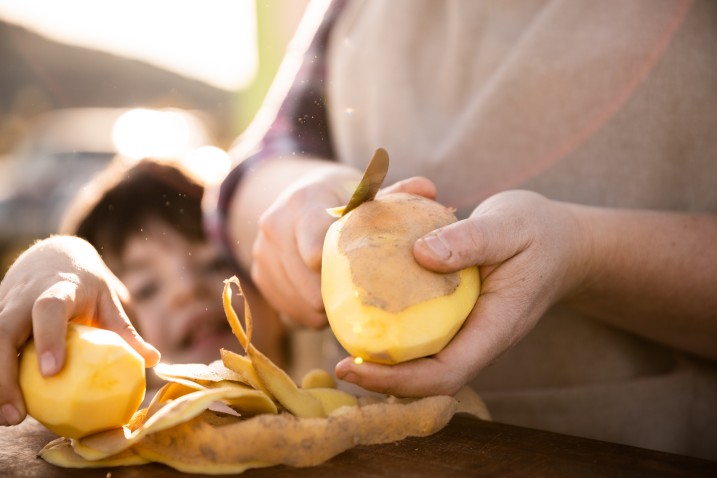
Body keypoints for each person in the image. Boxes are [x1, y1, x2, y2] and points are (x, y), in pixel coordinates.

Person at [206, 0, 717, 459]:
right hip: (359, 453)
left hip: (629, 448)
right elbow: (257, 165)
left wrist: (582, 250)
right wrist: (300, 190)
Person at [0, 157, 286, 425]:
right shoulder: (107, 435)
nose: (187, 290)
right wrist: (58, 257)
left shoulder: (329, 374)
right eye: (146, 288)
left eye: (214, 263)